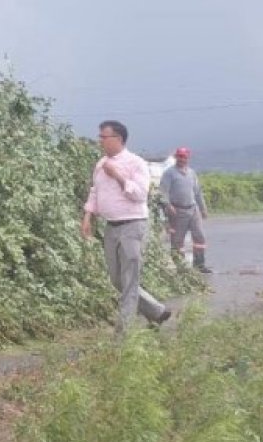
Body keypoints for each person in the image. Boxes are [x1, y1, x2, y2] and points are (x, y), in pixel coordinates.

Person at [80, 120, 172, 334]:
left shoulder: (136, 163)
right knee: (117, 279)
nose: (100, 141)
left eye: (104, 137)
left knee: (129, 280)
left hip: (133, 225)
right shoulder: (101, 164)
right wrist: (87, 216)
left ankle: (123, 333)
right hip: (111, 227)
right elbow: (95, 191)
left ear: (118, 139)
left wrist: (119, 176)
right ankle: (156, 312)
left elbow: (140, 194)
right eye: (100, 137)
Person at [159, 146, 211, 273]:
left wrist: (203, 209)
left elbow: (198, 192)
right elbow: (163, 192)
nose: (182, 159)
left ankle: (199, 265)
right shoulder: (169, 173)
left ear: (188, 158)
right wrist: (168, 205)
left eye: (184, 157)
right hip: (177, 211)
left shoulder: (192, 173)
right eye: (180, 156)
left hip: (193, 210)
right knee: (177, 240)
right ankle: (180, 268)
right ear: (176, 157)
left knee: (200, 236)